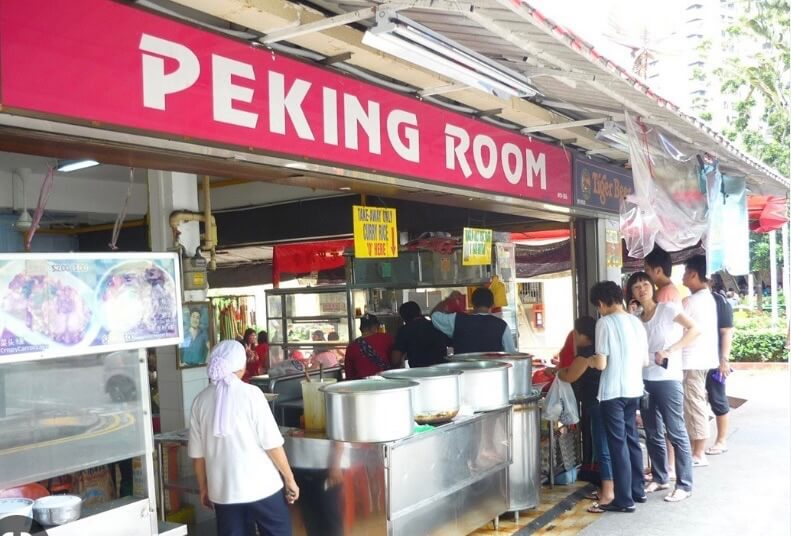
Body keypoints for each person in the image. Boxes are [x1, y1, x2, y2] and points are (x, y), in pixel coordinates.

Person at [188, 341, 299, 536]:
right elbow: (272, 444)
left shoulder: (200, 401)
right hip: (262, 488)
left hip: (223, 492)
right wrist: (289, 479)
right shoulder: (252, 395)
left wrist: (204, 487)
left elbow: (198, 456)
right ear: (241, 366)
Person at [627, 272, 699, 502]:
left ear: (652, 287)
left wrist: (671, 350)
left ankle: (685, 484)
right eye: (636, 287)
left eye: (645, 284)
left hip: (668, 379)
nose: (642, 289)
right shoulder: (636, 317)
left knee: (676, 431)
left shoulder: (667, 309)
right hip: (644, 380)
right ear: (631, 293)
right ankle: (660, 478)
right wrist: (630, 316)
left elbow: (695, 329)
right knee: (652, 432)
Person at [587, 281, 648, 514]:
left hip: (613, 392)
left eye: (598, 306)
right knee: (632, 439)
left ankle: (623, 499)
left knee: (617, 444)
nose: (599, 310)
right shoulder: (636, 322)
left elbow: (601, 363)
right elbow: (644, 361)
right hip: (635, 389)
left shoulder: (604, 323)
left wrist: (591, 360)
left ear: (601, 303)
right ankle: (637, 490)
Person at [556, 316, 612, 505]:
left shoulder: (585, 356)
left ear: (582, 335)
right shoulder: (601, 352)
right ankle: (616, 486)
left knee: (602, 448)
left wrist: (556, 372)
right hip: (607, 401)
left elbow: (570, 376)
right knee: (611, 445)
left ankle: (607, 491)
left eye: (576, 334)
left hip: (596, 404)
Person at [680, 255, 720, 467]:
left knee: (694, 405)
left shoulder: (690, 301)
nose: (683, 277)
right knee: (698, 403)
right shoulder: (709, 298)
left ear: (694, 274)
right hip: (704, 358)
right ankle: (697, 450)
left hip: (692, 360)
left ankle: (698, 453)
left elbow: (676, 326)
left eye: (685, 273)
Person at [431, 288, 516, 354]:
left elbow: (434, 315)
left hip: (464, 374)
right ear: (493, 304)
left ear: (472, 303)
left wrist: (448, 299)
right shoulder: (502, 326)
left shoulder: (456, 320)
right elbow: (511, 354)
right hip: (493, 374)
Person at [705, 279, 735, 456]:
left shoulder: (718, 301)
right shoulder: (695, 300)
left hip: (715, 360)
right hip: (699, 358)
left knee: (717, 398)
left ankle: (722, 440)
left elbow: (727, 331)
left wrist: (724, 359)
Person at [392, 301, 450, 368]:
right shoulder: (436, 325)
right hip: (442, 371)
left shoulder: (404, 331)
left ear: (403, 318)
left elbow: (395, 360)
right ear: (420, 312)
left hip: (419, 374)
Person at [344, 314, 395, 380]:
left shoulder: (351, 347)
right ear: (375, 326)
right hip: (385, 383)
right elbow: (396, 360)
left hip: (362, 386)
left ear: (360, 328)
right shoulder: (387, 338)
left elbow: (349, 375)